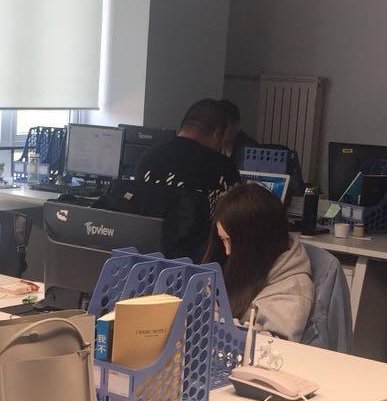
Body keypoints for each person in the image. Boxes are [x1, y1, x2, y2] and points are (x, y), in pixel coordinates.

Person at [110, 98, 241, 262]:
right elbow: (233, 220)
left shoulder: (148, 158)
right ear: (217, 134)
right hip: (197, 264)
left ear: (184, 125)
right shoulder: (222, 167)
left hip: (145, 260)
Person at [203, 182, 314, 341]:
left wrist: (218, 320)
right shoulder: (249, 264)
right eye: (223, 240)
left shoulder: (292, 289)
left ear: (257, 242)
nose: (227, 251)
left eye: (231, 241)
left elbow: (271, 348)